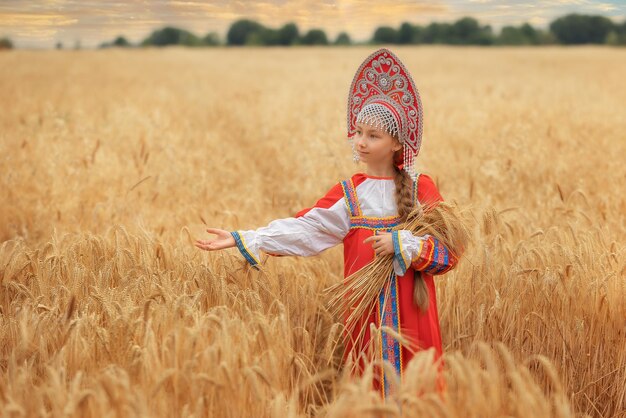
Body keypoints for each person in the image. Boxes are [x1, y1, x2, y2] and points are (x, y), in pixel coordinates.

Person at [195, 48, 462, 399]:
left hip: (415, 317)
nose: (362, 142)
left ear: (397, 143)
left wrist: (404, 245)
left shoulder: (420, 188)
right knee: (368, 388)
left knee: (418, 393)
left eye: (373, 136)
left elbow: (449, 253)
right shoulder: (350, 194)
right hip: (364, 317)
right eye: (359, 132)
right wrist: (248, 238)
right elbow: (306, 230)